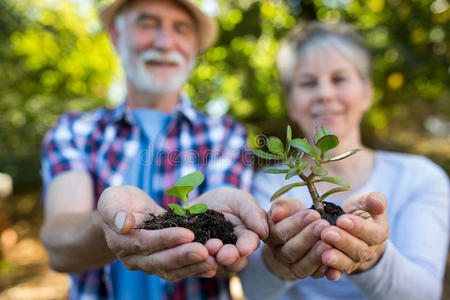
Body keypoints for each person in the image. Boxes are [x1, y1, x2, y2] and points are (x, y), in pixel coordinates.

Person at [39, 1, 268, 299]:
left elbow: (233, 258)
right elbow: (58, 246)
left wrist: (227, 243)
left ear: (194, 45)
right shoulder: (74, 131)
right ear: (116, 36)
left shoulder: (225, 135)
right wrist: (110, 224)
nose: (164, 42)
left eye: (181, 28)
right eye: (147, 23)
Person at [240, 22, 449, 299]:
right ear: (290, 102)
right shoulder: (267, 185)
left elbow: (425, 293)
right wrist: (280, 263)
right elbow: (250, 288)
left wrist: (371, 257)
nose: (324, 94)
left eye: (339, 79)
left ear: (367, 93)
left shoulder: (420, 177)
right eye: (307, 83)